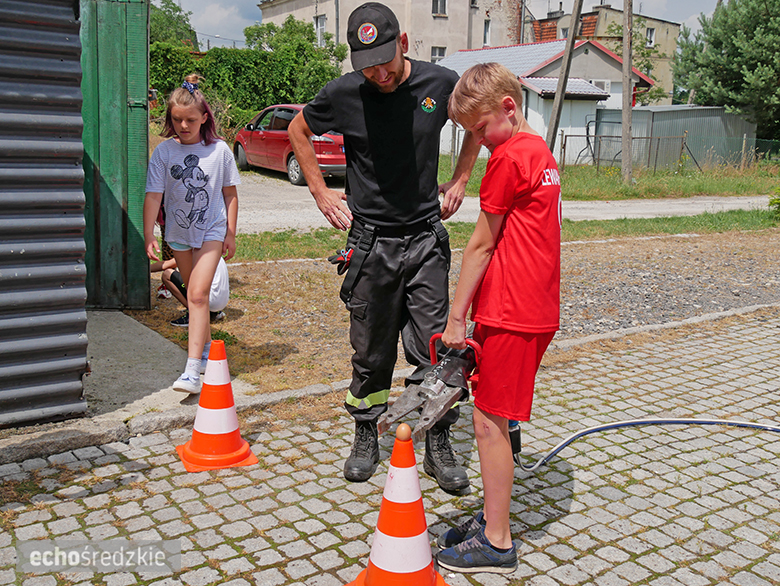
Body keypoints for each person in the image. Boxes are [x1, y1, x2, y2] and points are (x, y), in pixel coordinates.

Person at [288, 2, 481, 492]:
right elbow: (298, 131)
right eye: (366, 64)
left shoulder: (439, 83)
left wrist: (460, 177)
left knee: (436, 349)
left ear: (404, 44)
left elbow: (476, 124)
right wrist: (320, 190)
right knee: (371, 352)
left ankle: (438, 441)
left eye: (385, 61)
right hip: (370, 242)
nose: (378, 72)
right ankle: (364, 435)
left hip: (424, 238)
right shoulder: (345, 93)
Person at [435, 63, 561, 574]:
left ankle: (497, 541)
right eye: (470, 134)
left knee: (488, 425)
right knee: (495, 417)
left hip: (512, 310)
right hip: (531, 305)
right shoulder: (541, 152)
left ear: (509, 107)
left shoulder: (510, 158)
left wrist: (455, 318)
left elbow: (481, 245)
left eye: (481, 129)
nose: (480, 142)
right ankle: (491, 518)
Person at [143, 73, 240, 395]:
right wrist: (149, 234)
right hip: (178, 234)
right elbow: (153, 196)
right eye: (177, 120)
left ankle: (191, 370)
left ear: (204, 119)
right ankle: (209, 351)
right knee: (195, 297)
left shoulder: (220, 151)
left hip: (211, 230)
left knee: (197, 295)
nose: (184, 126)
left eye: (190, 120)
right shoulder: (164, 153)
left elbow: (230, 194)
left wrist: (230, 232)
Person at [162, 255, 229, 328]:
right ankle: (214, 313)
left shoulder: (195, 253)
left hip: (209, 301)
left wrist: (148, 269)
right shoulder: (214, 251)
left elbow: (166, 265)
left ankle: (193, 313)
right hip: (221, 302)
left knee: (167, 274)